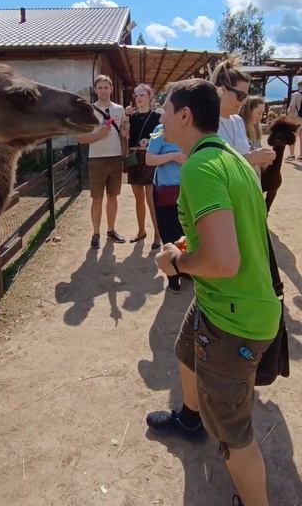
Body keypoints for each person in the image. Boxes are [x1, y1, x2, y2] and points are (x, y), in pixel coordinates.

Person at [147, 78, 281, 506]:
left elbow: (223, 263)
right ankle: (190, 419)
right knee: (186, 350)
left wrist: (176, 263)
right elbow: (234, 232)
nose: (162, 116)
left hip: (232, 318)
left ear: (184, 116)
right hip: (231, 303)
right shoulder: (233, 161)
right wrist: (187, 245)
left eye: (166, 108)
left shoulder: (200, 169)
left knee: (232, 432)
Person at [77, 74, 128, 249]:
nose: (103, 90)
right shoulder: (88, 111)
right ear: (95, 90)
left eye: (106, 87)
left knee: (112, 197)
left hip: (115, 159)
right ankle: (96, 233)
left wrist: (124, 154)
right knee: (97, 199)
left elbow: (123, 133)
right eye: (100, 87)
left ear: (112, 89)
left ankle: (111, 230)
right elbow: (81, 138)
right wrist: (99, 135)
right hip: (96, 160)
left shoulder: (119, 110)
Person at [211, 57, 275, 170]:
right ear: (222, 90)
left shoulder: (238, 120)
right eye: (240, 95)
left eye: (245, 96)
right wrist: (250, 158)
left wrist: (261, 159)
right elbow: (210, 164)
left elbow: (243, 155)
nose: (244, 101)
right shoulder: (205, 122)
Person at [146, 123, 186, 292]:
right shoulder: (161, 129)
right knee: (169, 234)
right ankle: (172, 275)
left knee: (187, 233)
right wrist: (173, 156)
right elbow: (149, 159)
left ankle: (186, 268)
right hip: (166, 190)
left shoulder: (194, 127)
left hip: (189, 189)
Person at [125, 84, 161, 248]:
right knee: (138, 198)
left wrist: (150, 141)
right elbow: (124, 134)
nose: (139, 98)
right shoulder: (132, 117)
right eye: (136, 95)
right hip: (134, 158)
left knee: (151, 198)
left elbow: (163, 136)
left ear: (149, 98)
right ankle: (141, 231)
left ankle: (157, 234)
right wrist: (125, 118)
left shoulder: (157, 117)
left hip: (149, 157)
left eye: (142, 95)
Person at [239, 96, 265, 178]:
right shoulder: (239, 130)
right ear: (249, 111)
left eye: (262, 113)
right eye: (259, 113)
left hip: (255, 176)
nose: (261, 117)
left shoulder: (257, 130)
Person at [285, 79, 302, 161]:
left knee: (292, 136)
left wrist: (288, 117)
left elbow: (291, 107)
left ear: (299, 86)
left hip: (297, 118)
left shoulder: (296, 94)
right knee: (301, 137)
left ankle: (291, 155)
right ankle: (301, 156)